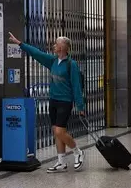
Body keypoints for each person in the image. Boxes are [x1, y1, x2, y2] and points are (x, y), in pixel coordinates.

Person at [8, 32, 85, 173]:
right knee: (56, 132)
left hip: (65, 101)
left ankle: (77, 152)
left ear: (63, 47)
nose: (54, 46)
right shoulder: (53, 61)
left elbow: (76, 86)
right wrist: (20, 44)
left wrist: (80, 105)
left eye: (56, 44)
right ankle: (61, 162)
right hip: (53, 100)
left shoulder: (71, 64)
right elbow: (37, 53)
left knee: (59, 130)